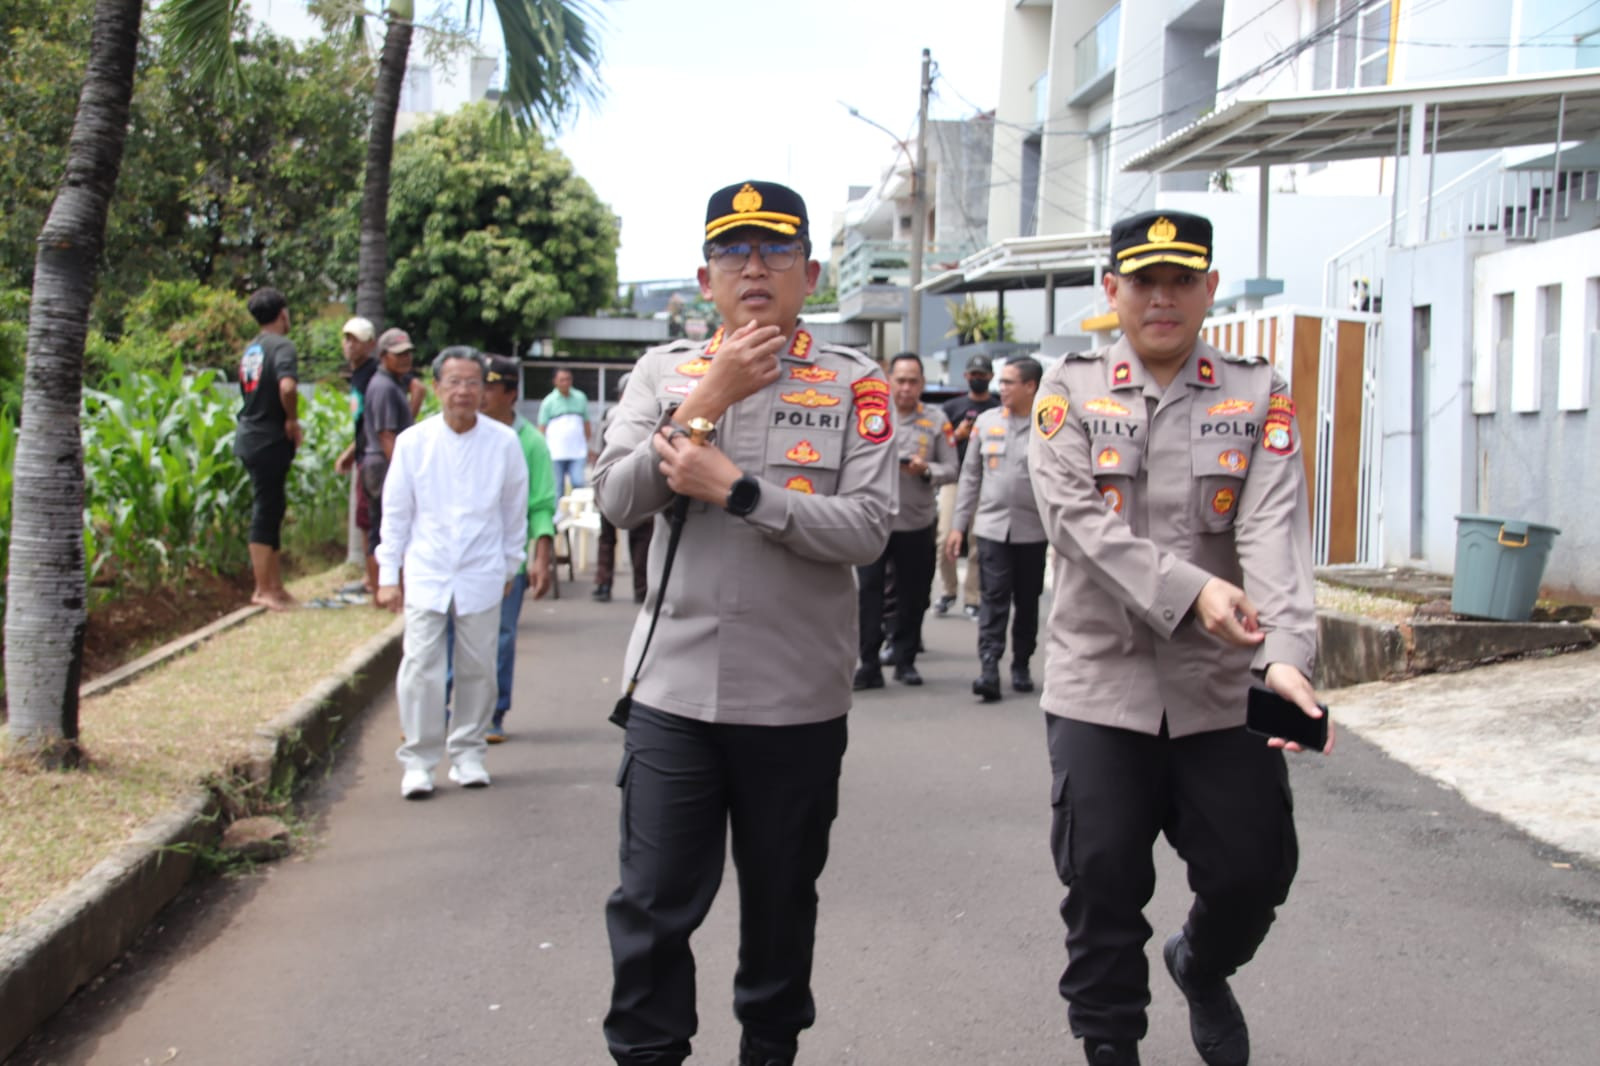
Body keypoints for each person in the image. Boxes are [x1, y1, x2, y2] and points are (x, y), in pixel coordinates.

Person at [593, 179, 896, 1066]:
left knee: (780, 900)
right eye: (734, 251)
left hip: (795, 700)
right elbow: (617, 499)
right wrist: (707, 397)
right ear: (704, 276)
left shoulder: (856, 384)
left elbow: (872, 527)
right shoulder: (663, 375)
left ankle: (769, 1049)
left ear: (811, 272)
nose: (753, 267)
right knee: (650, 905)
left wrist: (741, 492)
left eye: (774, 251)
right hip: (672, 692)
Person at [1026, 210, 1328, 1066]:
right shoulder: (1067, 391)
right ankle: (1110, 1046)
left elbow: (1272, 531)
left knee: (1254, 870)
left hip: (1220, 685)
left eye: (1181, 280)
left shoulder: (1258, 391)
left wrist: (1286, 660)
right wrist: (1193, 591)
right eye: (1143, 281)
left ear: (1209, 287)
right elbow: (1077, 522)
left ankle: (1201, 962)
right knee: (1103, 883)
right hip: (1100, 683)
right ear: (1112, 289)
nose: (1162, 298)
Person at [375, 347, 529, 799]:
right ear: (437, 387)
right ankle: (420, 760)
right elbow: (397, 513)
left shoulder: (504, 443)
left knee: (478, 667)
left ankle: (468, 753)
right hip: (427, 570)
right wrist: (388, 574)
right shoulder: (413, 443)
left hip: (482, 572)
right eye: (454, 382)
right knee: (421, 667)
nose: (463, 391)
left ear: (484, 390)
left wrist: (509, 565)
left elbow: (512, 511)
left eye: (472, 383)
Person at [945, 356, 1049, 702]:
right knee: (993, 598)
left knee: (1028, 600)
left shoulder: (1049, 426)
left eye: (1008, 382)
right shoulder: (987, 422)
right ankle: (988, 666)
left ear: (1030, 386)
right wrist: (959, 525)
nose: (1000, 388)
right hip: (991, 528)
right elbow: (970, 477)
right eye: (1000, 382)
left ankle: (1021, 663)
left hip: (1034, 530)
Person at [854, 352, 957, 690]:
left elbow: (951, 468)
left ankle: (905, 660)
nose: (906, 388)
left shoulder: (937, 420)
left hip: (916, 522)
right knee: (868, 595)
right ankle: (867, 663)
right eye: (900, 380)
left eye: (913, 381)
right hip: (875, 521)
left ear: (922, 384)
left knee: (914, 596)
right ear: (889, 381)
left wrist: (925, 469)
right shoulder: (871, 416)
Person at [479, 353, 557, 743]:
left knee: (502, 635)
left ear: (510, 393)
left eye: (489, 387)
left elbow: (542, 505)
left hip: (506, 558)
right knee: (447, 636)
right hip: (461, 556)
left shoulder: (530, 443)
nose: (479, 394)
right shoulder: (459, 433)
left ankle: (494, 712)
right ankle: (442, 707)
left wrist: (541, 559)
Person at [234, 286, 302, 611]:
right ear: (283, 313)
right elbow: (287, 387)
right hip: (268, 437)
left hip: (249, 434)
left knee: (273, 506)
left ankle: (276, 586)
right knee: (265, 508)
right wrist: (292, 420)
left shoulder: (251, 350)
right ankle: (263, 589)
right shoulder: (282, 346)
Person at [937, 353, 999, 619]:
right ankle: (948, 591)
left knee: (977, 541)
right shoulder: (951, 407)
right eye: (973, 375)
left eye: (982, 376)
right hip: (954, 479)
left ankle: (972, 597)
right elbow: (936, 441)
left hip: (986, 481)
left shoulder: (997, 409)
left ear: (990, 378)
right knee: (944, 538)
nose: (977, 380)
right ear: (966, 377)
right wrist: (957, 434)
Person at [359, 328, 417, 590]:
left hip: (383, 462)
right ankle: (379, 587)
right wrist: (402, 473)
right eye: (398, 355)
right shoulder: (383, 386)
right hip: (383, 464)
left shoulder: (395, 383)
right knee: (383, 528)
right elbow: (386, 435)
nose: (406, 359)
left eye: (408, 354)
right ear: (383, 356)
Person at [593, 372, 654, 604]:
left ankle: (603, 584)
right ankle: (642, 589)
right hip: (639, 480)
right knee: (641, 539)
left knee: (607, 538)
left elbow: (598, 451)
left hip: (611, 478)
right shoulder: (650, 414)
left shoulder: (611, 415)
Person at [333, 317, 380, 594]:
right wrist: (351, 452)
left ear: (371, 345)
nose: (350, 345)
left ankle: (372, 579)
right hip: (363, 453)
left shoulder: (374, 374)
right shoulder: (358, 375)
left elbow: (416, 389)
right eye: (347, 338)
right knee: (365, 519)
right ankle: (369, 576)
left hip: (372, 457)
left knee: (370, 518)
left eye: (357, 340)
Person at [539, 366, 590, 495]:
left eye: (568, 379)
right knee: (557, 487)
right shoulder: (548, 402)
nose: (565, 383)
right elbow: (541, 428)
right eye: (562, 380)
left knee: (578, 483)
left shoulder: (580, 398)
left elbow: (586, 423)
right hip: (556, 452)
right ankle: (557, 515)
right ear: (555, 381)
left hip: (577, 451)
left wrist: (587, 444)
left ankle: (578, 513)